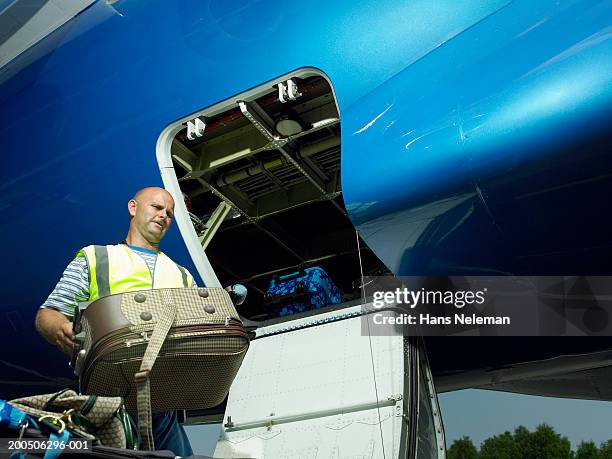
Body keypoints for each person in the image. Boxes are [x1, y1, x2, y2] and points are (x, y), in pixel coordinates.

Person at [35, 187, 195, 456]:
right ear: (133, 208)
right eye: (156, 207)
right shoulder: (96, 257)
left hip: (163, 399)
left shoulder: (183, 275)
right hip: (110, 392)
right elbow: (48, 314)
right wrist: (59, 329)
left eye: (169, 213)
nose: (164, 215)